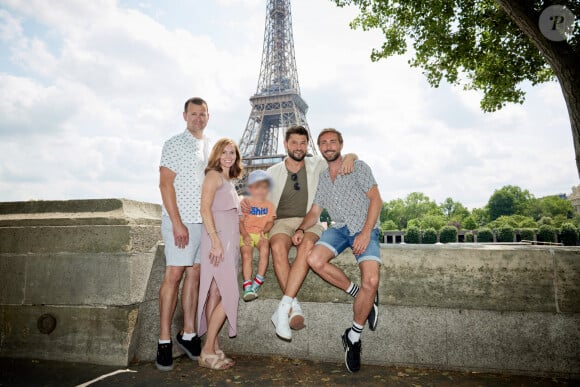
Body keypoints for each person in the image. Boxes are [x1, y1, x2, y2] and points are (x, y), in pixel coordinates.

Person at [291, 128, 382, 373]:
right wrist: (300, 228)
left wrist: (364, 232)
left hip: (363, 227)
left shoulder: (357, 167)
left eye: (333, 141)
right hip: (340, 228)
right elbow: (315, 212)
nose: (328, 146)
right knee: (314, 259)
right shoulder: (323, 177)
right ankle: (358, 295)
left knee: (371, 280)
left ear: (341, 144)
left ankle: (353, 336)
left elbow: (377, 200)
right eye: (323, 143)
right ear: (319, 147)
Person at [261, 125, 357, 341]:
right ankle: (293, 306)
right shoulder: (272, 172)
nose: (298, 147)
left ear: (307, 145)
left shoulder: (317, 164)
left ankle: (285, 309)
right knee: (276, 246)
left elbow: (342, 157)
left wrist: (351, 156)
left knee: (306, 247)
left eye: (303, 143)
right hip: (281, 222)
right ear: (285, 144)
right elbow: (260, 203)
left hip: (309, 220)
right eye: (294, 142)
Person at [156, 97, 211, 371]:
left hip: (203, 223)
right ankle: (164, 340)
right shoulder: (173, 144)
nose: (198, 118)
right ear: (184, 116)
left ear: (208, 117)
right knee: (174, 275)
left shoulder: (210, 146)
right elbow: (165, 185)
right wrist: (177, 223)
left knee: (195, 274)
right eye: (193, 114)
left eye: (202, 114)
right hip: (181, 221)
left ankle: (188, 333)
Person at [197, 138, 243, 370]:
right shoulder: (213, 176)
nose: (228, 156)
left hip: (229, 241)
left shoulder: (228, 180)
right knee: (230, 295)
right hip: (218, 241)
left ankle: (212, 348)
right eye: (224, 152)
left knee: (216, 292)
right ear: (216, 154)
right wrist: (215, 241)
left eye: (232, 152)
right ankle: (207, 349)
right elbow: (204, 208)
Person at [239, 170, 276, 302]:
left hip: (261, 234)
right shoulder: (246, 203)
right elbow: (241, 221)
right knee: (246, 255)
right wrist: (244, 235)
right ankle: (248, 284)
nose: (261, 191)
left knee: (265, 248)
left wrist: (263, 231)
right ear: (250, 188)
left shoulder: (269, 205)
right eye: (257, 187)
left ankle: (259, 279)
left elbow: (271, 221)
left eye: (264, 187)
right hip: (247, 233)